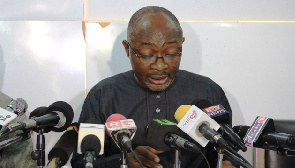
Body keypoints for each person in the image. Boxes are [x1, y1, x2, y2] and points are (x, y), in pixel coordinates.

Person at [72, 6, 235, 168]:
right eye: (147, 54)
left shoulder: (208, 92)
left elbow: (226, 156)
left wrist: (228, 162)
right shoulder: (103, 96)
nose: (160, 66)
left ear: (181, 46)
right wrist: (124, 161)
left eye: (171, 53)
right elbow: (81, 163)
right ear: (127, 49)